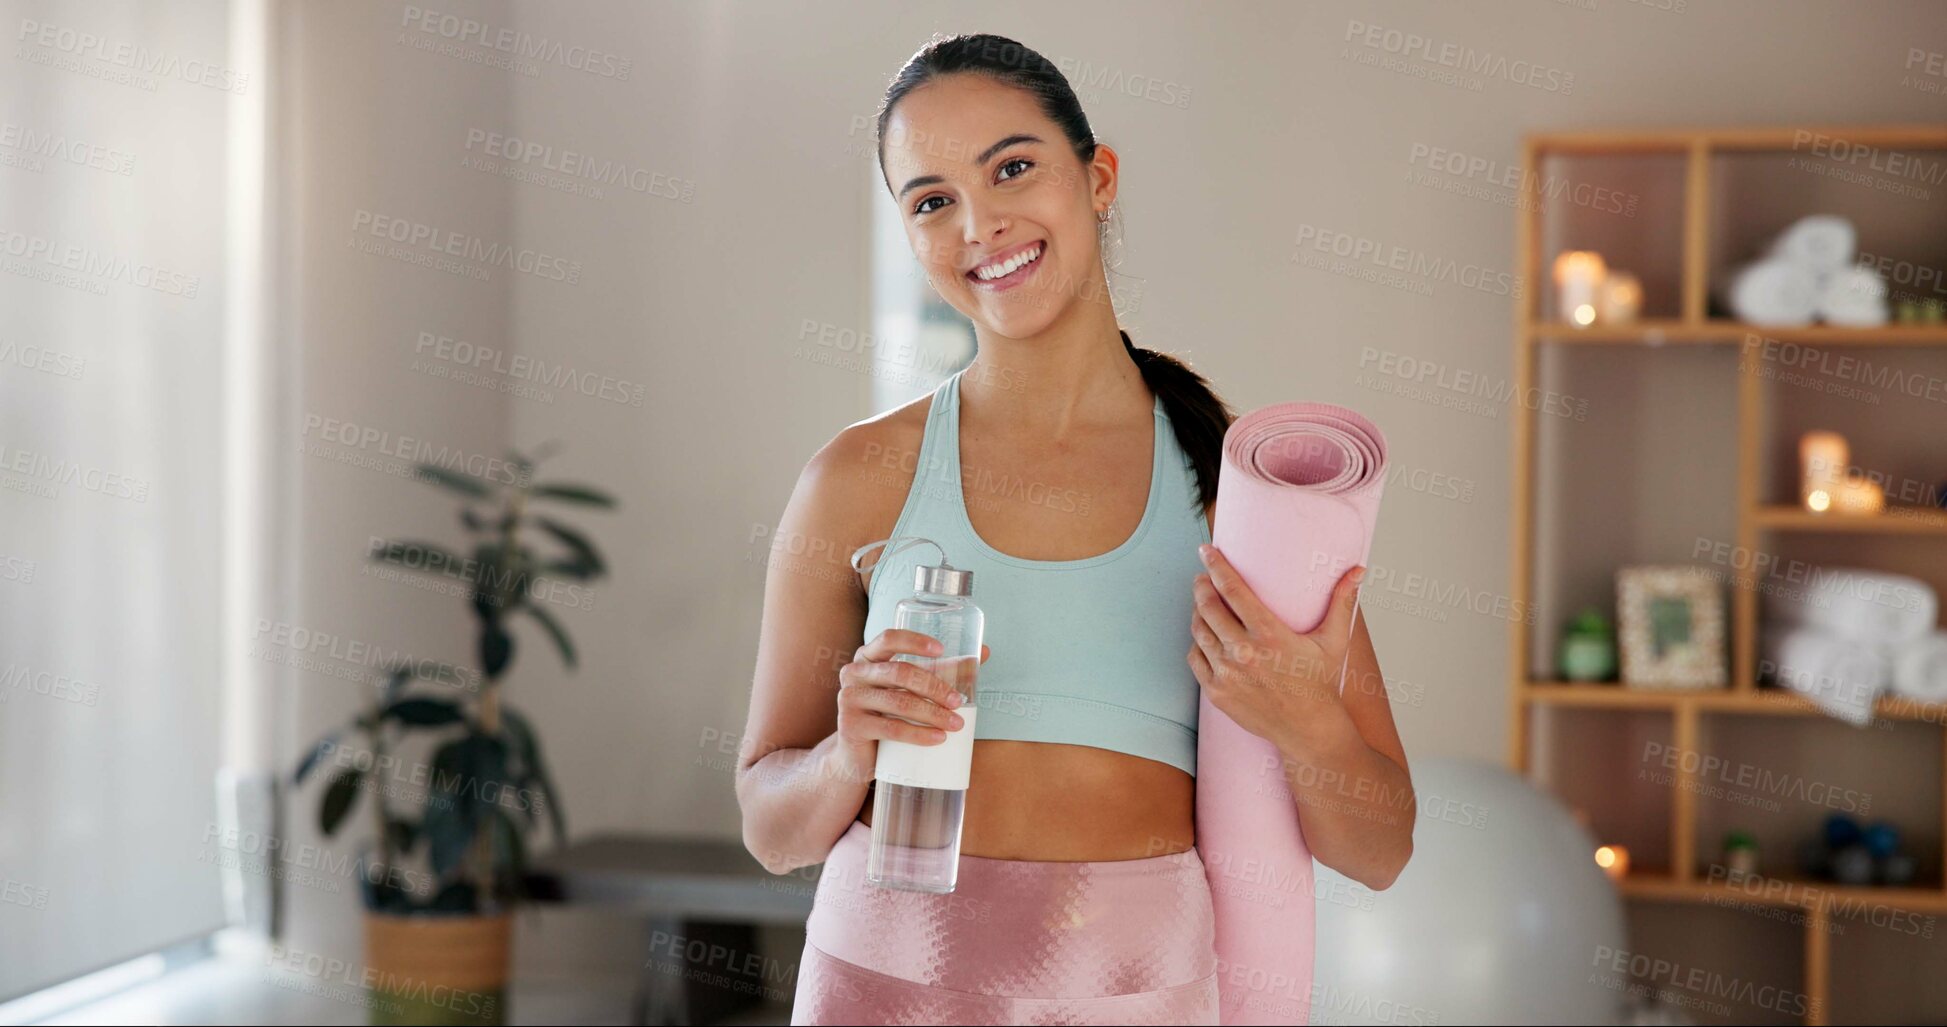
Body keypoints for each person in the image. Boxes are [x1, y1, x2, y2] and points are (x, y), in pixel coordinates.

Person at [737, 32, 1413, 1025]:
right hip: (880, 980)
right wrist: (849, 753)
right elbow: (770, 826)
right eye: (932, 200)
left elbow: (1381, 848)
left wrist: (1305, 717)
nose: (981, 223)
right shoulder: (856, 481)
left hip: (1133, 991)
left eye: (1014, 167)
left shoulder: (1238, 500)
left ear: (1097, 178)